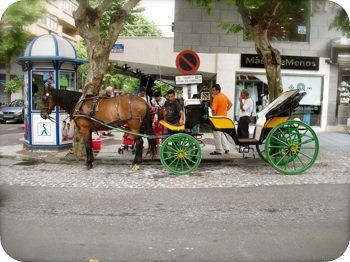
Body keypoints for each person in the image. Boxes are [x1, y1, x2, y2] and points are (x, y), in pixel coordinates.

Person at [210, 84, 232, 155]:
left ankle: (218, 150)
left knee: (217, 134)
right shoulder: (224, 95)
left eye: (213, 90)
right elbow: (231, 104)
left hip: (218, 118)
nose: (212, 91)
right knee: (221, 133)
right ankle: (226, 148)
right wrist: (225, 110)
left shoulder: (216, 98)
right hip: (224, 118)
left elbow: (213, 110)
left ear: (217, 90)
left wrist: (212, 118)